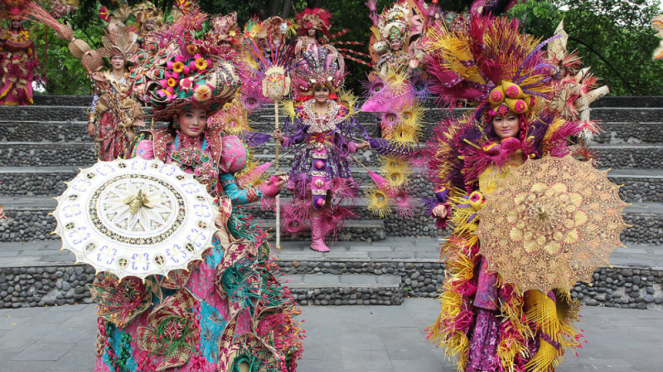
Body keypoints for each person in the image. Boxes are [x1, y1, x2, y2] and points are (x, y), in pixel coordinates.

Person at [92, 11, 304, 371]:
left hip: (210, 238)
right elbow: (139, 199)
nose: (194, 121)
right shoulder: (155, 149)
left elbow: (232, 195)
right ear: (175, 117)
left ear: (209, 117)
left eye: (201, 115)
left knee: (214, 304)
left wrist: (262, 192)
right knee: (163, 306)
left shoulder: (222, 149)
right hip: (165, 242)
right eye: (188, 114)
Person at [424, 15, 590, 372]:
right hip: (487, 241)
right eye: (498, 119)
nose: (503, 124)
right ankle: (485, 358)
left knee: (523, 297)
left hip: (524, 242)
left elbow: (552, 196)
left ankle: (522, 359)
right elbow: (455, 190)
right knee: (487, 300)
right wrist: (442, 208)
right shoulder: (476, 156)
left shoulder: (533, 157)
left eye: (510, 119)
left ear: (521, 121)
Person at [273, 44, 372, 252]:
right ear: (311, 90)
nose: (320, 92)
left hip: (332, 160)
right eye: (317, 89)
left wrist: (357, 145)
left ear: (330, 90)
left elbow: (341, 140)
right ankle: (316, 239)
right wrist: (283, 139)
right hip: (309, 159)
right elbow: (298, 137)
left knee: (328, 198)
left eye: (324, 89)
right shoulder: (304, 110)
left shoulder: (338, 110)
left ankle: (321, 233)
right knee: (315, 198)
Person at [87, 22, 144, 161]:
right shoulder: (103, 78)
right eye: (114, 58)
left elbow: (138, 99)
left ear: (125, 61)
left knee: (125, 151)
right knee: (106, 151)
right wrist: (91, 121)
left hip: (127, 119)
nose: (117, 61)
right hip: (107, 119)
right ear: (110, 61)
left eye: (120, 58)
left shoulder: (132, 78)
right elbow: (96, 99)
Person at [0, 7, 37, 106]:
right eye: (14, 21)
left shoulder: (24, 35)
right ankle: (5, 98)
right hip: (10, 60)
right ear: (11, 22)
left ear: (20, 22)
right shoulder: (6, 34)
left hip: (22, 61)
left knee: (22, 80)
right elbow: (2, 48)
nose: (15, 23)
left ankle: (23, 99)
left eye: (17, 21)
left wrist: (32, 58)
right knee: (8, 79)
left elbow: (29, 49)